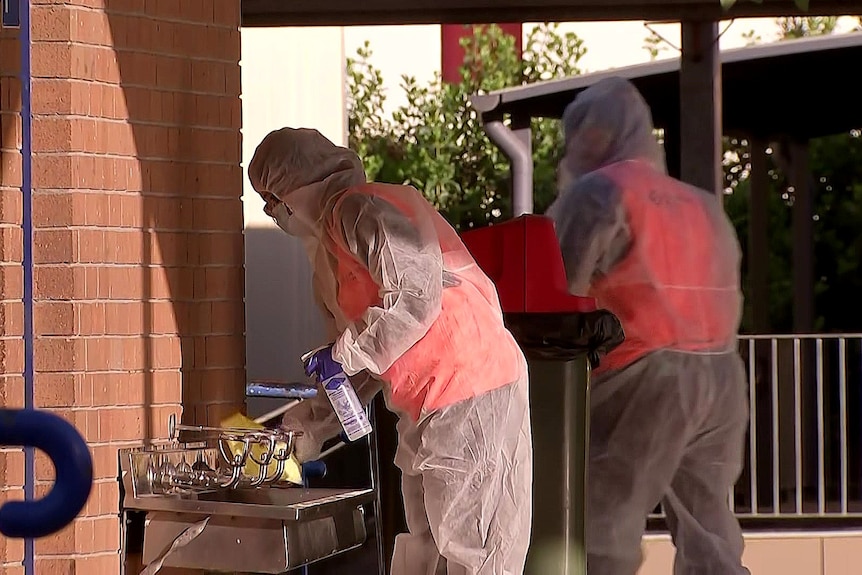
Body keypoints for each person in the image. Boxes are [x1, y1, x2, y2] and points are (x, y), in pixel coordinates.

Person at [248, 127, 533, 575]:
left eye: (274, 196)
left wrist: (346, 352)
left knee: (473, 551)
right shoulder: (332, 251)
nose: (273, 211)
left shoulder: (361, 210)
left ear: (301, 183)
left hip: (470, 386)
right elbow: (368, 359)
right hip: (427, 402)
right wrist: (309, 429)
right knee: (426, 545)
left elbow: (416, 299)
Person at [547, 77, 750, 575]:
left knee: (604, 527)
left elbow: (556, 292)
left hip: (645, 373)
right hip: (722, 375)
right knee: (712, 533)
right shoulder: (700, 203)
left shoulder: (600, 193)